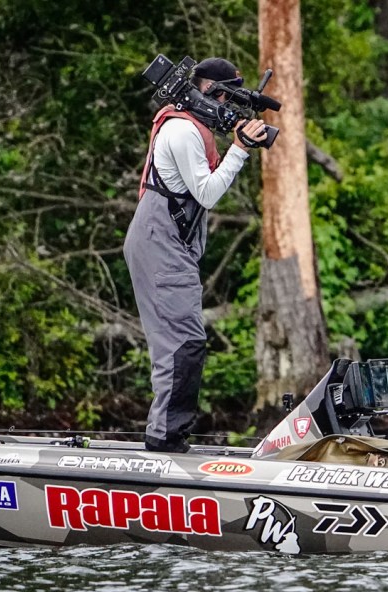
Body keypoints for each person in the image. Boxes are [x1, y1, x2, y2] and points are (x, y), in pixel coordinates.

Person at [124, 57, 270, 452]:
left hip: (164, 240)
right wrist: (239, 149)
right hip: (159, 242)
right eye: (225, 98)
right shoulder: (182, 130)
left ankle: (166, 434)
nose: (227, 107)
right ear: (210, 91)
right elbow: (206, 193)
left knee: (181, 340)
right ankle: (165, 439)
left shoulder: (190, 125)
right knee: (182, 343)